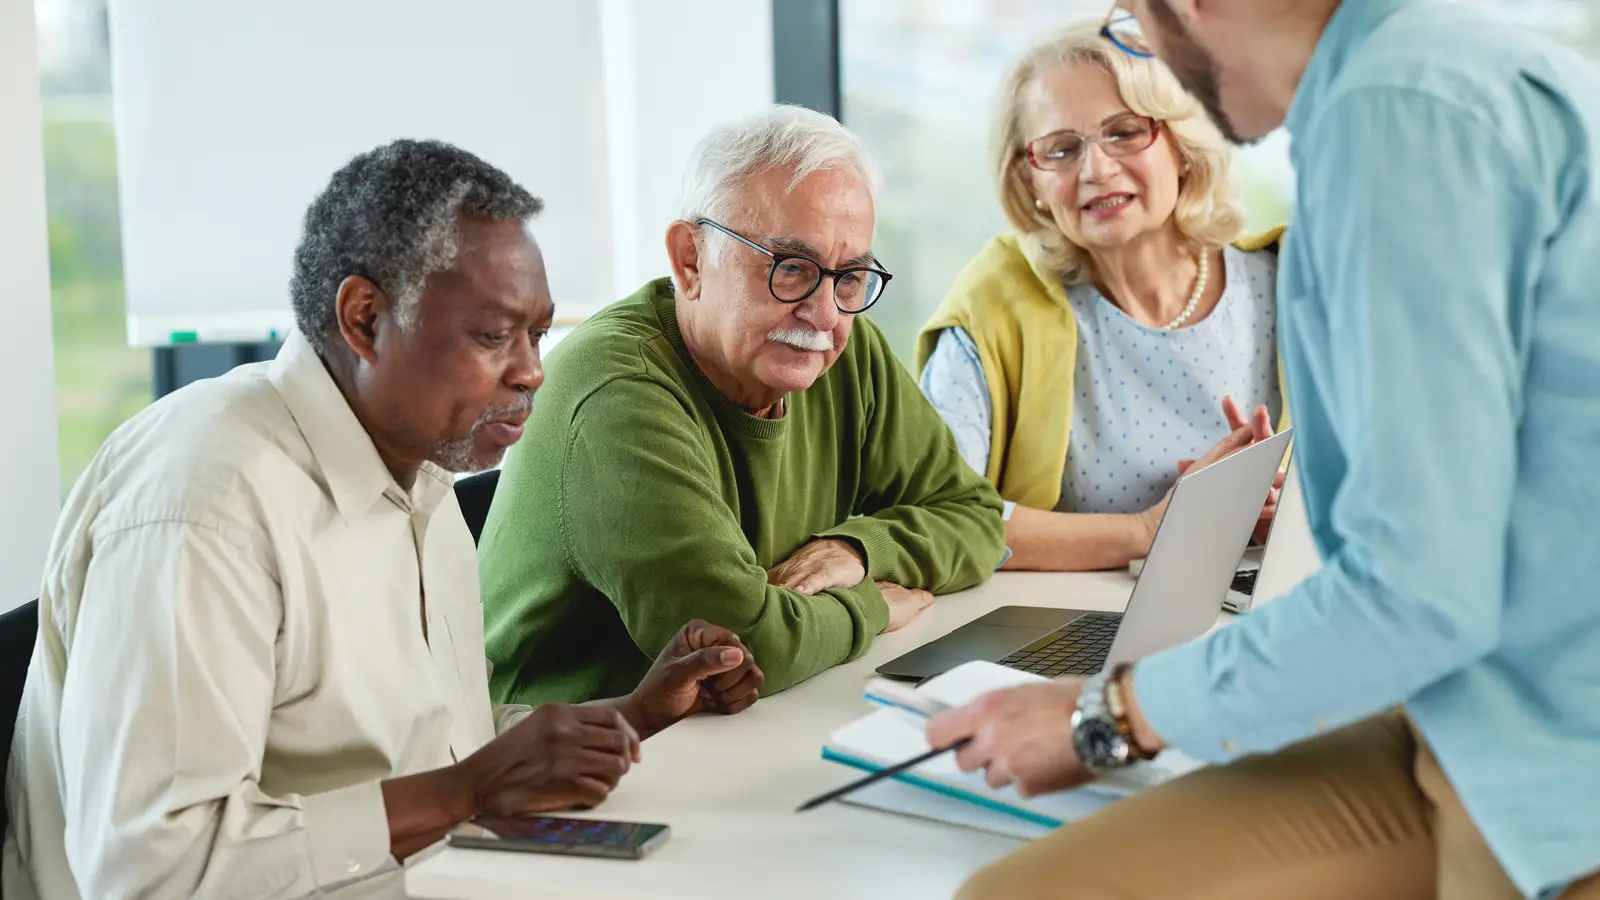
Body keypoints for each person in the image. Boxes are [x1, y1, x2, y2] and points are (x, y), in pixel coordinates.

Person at [928, 1, 1600, 898]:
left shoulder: (1391, 113)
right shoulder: (1430, 74)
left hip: (1544, 752)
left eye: (1135, 21)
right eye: (1060, 147)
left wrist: (1109, 715)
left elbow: (1418, 592)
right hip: (1466, 702)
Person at [1, 140, 765, 900]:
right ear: (365, 319)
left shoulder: (422, 472)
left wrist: (628, 717)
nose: (532, 371)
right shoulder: (204, 501)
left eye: (538, 334)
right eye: (494, 335)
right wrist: (466, 792)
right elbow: (148, 868)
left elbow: (431, 744)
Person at [478, 105, 1007, 708]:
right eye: (790, 269)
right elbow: (744, 647)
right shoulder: (616, 393)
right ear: (691, 260)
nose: (825, 314)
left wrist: (861, 552)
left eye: (850, 278)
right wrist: (874, 604)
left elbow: (977, 518)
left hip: (742, 729)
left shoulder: (842, 351)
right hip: (571, 761)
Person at [917, 20, 1286, 573]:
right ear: (1029, 181)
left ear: (1182, 145)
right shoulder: (995, 305)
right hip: (1067, 637)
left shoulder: (1286, 285)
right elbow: (933, 514)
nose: (1096, 169)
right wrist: (1150, 529)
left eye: (1124, 132)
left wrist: (1285, 513)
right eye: (1061, 149)